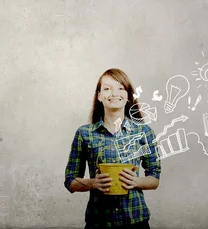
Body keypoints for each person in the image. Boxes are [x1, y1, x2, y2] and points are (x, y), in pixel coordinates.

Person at [65, 68, 161, 229]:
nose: (114, 93)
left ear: (129, 96)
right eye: (107, 88)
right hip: (98, 222)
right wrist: (93, 183)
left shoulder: (144, 132)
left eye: (120, 88)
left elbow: (155, 179)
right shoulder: (84, 134)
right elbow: (70, 180)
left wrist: (136, 181)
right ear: (99, 96)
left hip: (135, 221)